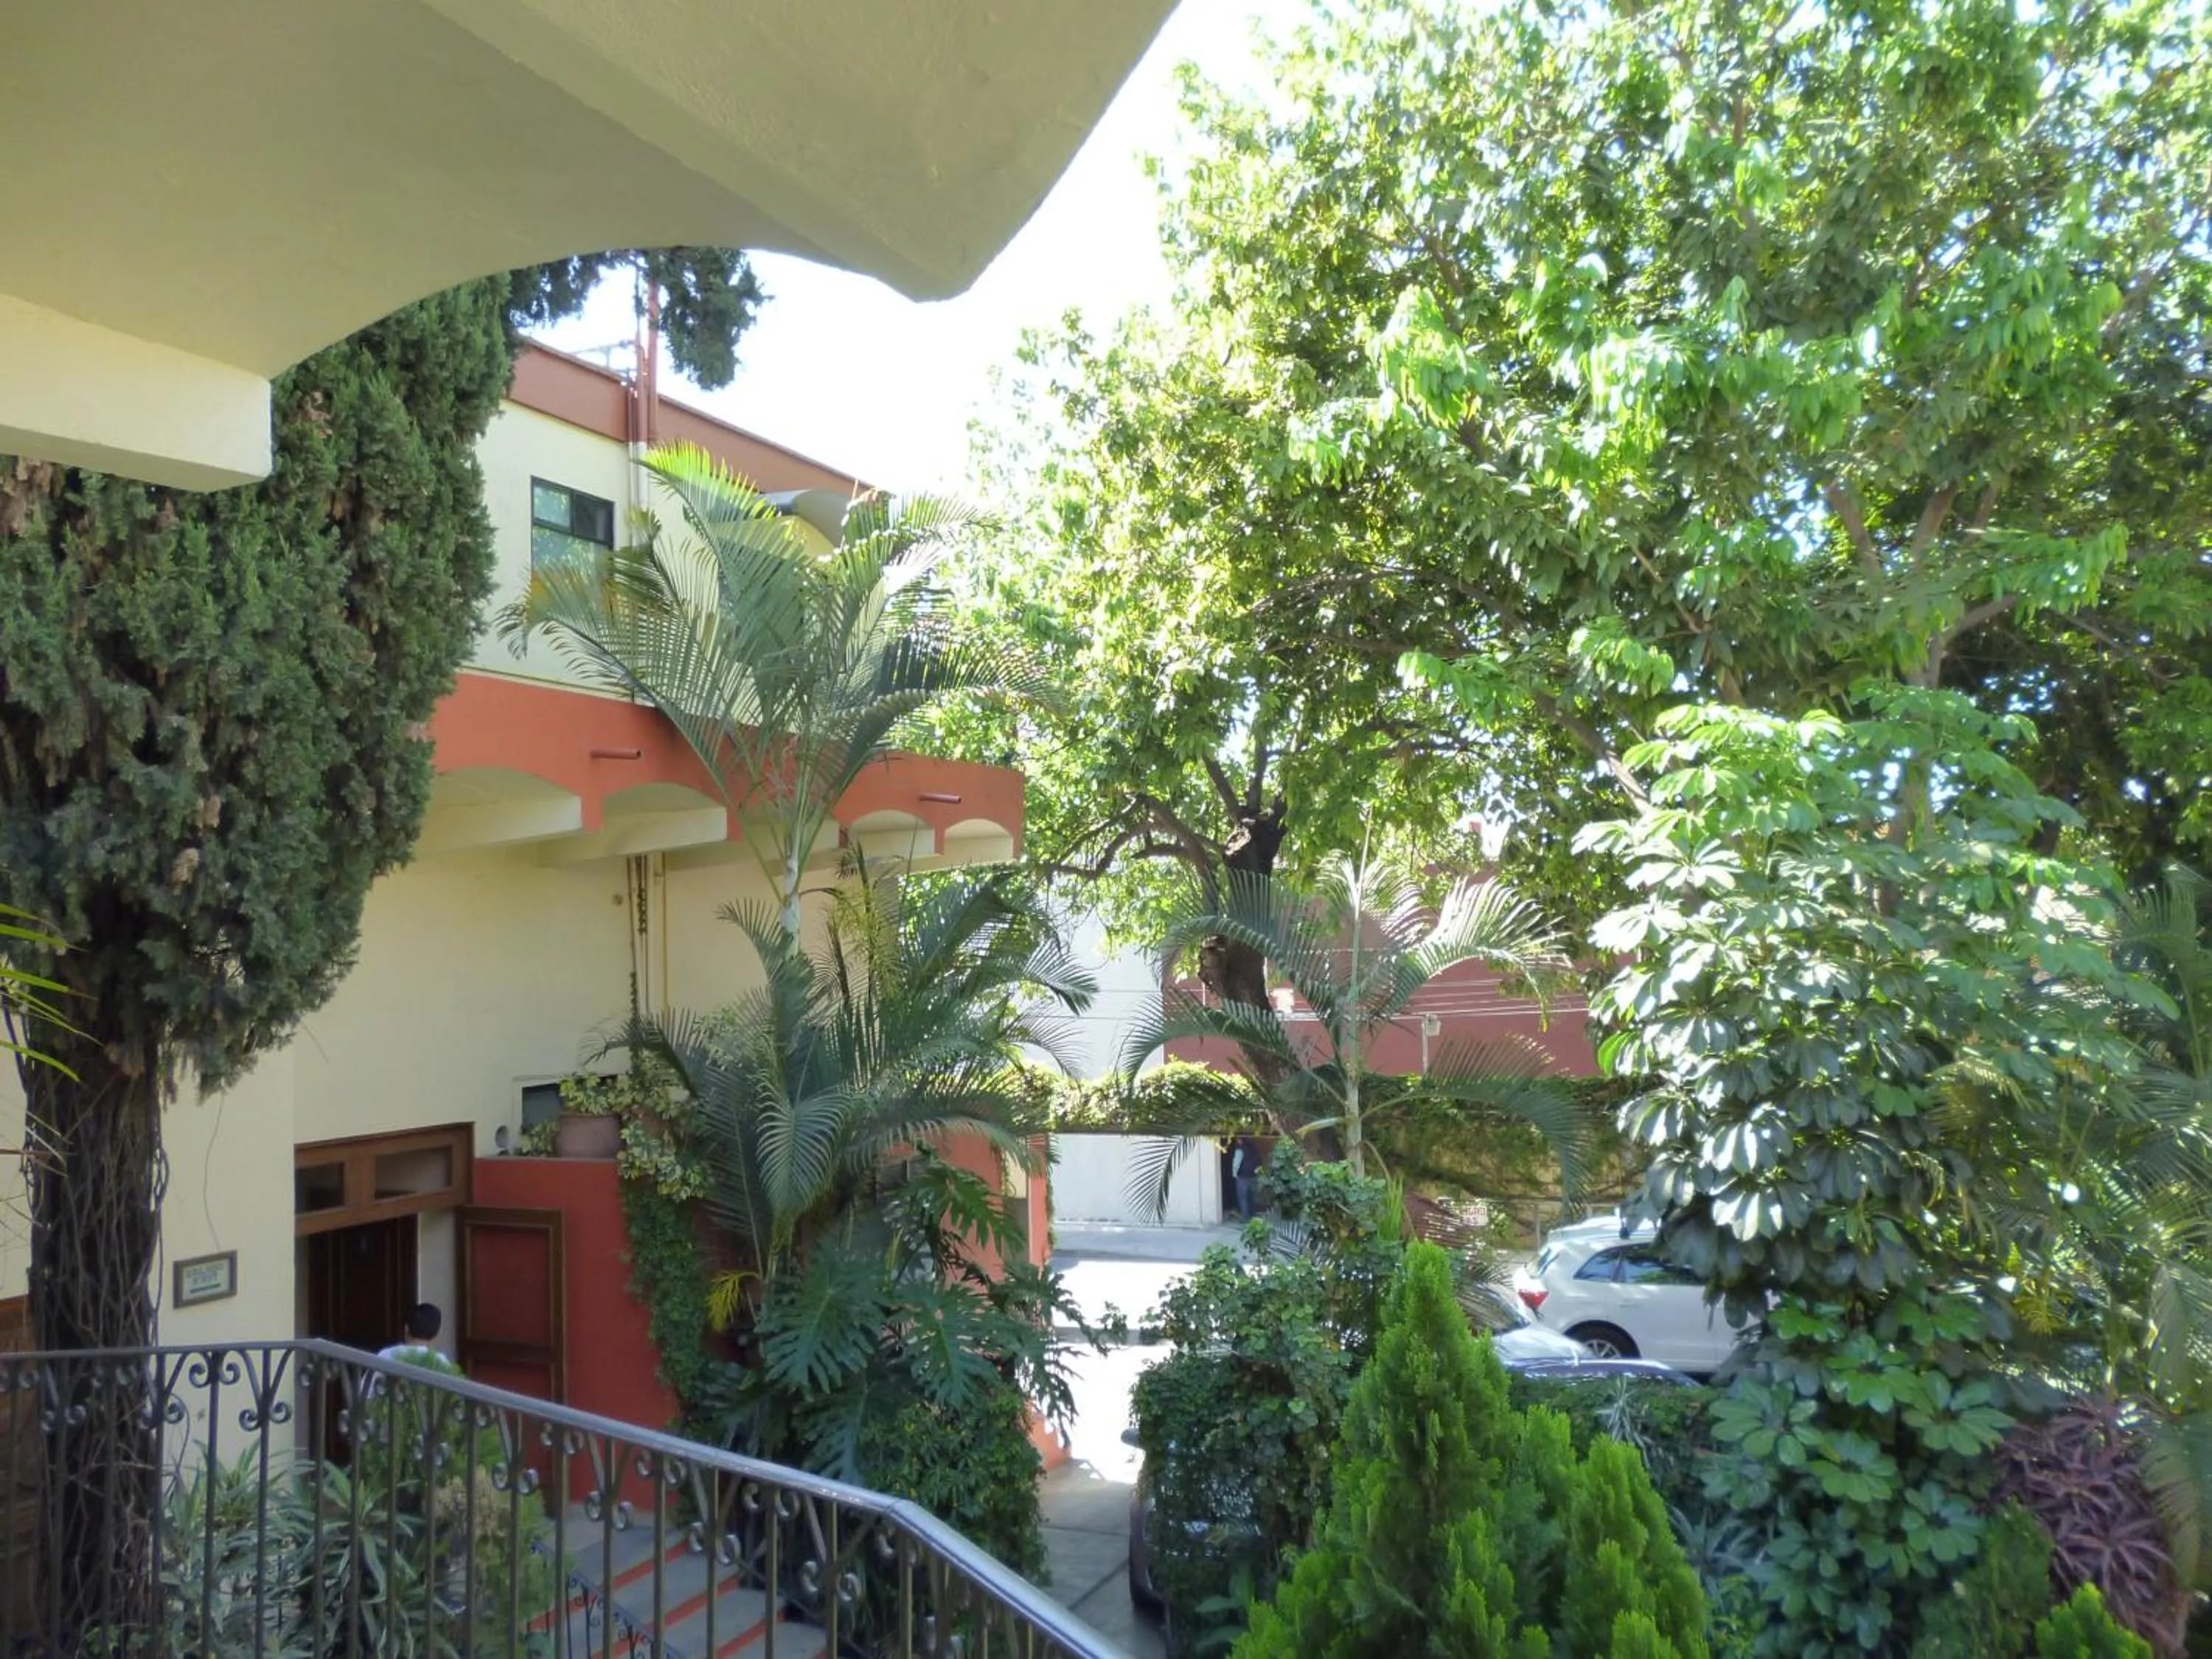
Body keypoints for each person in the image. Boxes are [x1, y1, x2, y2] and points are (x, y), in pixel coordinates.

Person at [378, 1301, 462, 1376]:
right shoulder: (441, 1363)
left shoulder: (386, 1355)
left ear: (406, 1328)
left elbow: (369, 1389)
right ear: (436, 1334)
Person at [1229, 1135, 1262, 1222]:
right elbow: (1259, 1162)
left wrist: (1234, 1174)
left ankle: (1245, 1217)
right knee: (1251, 1197)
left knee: (1243, 1198)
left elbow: (1236, 1163)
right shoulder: (1253, 1149)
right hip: (1252, 1176)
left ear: (1240, 1140)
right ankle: (1252, 1214)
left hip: (1242, 1176)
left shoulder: (1240, 1149)